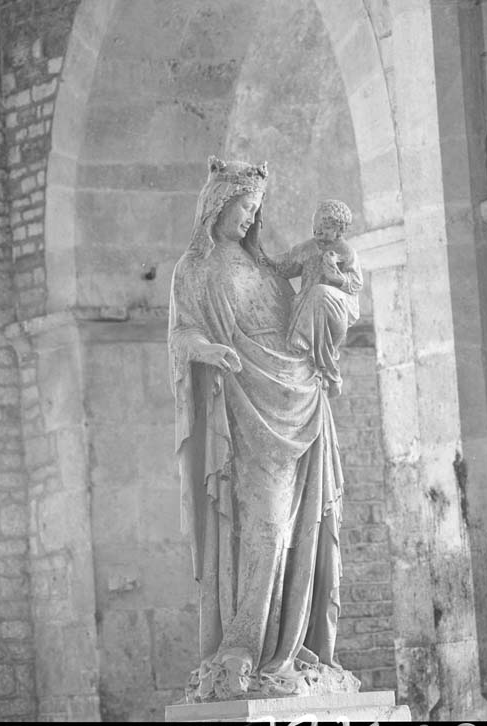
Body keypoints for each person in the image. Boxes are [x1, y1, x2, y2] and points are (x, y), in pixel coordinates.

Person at [168, 156, 359, 702]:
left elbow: (306, 311)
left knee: (302, 527)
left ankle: (290, 647)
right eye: (244, 208)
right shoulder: (194, 268)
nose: (250, 220)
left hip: (296, 395)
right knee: (265, 526)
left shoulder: (266, 267)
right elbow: (181, 335)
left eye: (256, 210)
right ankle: (243, 646)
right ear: (218, 205)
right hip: (244, 409)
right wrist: (206, 348)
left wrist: (331, 306)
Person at [256, 199, 363, 398]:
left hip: (338, 307)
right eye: (316, 229)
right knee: (313, 294)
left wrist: (337, 278)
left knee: (320, 292)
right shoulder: (308, 248)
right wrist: (262, 254)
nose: (319, 234)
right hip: (309, 305)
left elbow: (356, 284)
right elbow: (284, 264)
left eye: (325, 230)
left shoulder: (346, 252)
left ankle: (310, 348)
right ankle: (320, 367)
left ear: (339, 229)